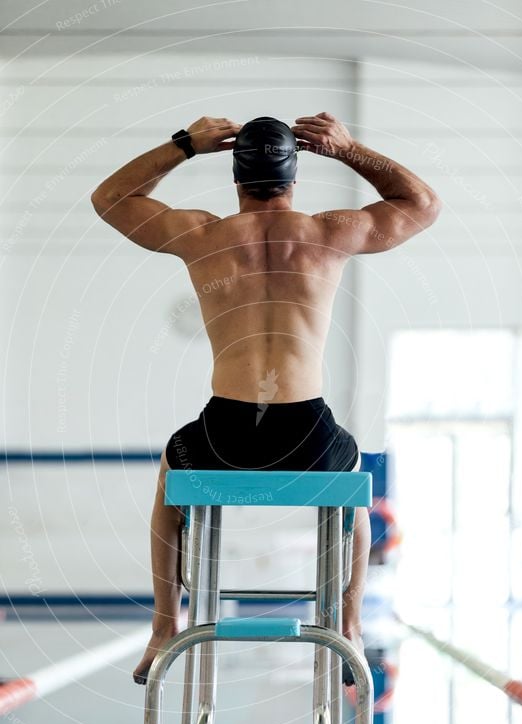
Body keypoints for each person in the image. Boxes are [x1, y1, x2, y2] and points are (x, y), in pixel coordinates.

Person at [91, 112, 441, 684]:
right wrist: (350, 150)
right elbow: (421, 203)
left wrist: (184, 145)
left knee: (169, 484)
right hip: (308, 433)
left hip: (226, 431)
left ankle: (163, 626)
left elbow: (110, 199)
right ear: (295, 178)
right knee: (353, 489)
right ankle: (348, 625)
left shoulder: (203, 236)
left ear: (235, 180)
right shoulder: (330, 233)